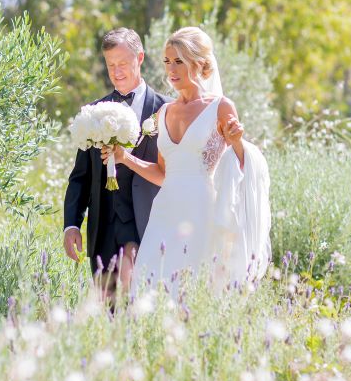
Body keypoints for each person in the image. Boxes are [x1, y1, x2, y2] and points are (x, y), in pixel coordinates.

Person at [102, 27, 271, 296]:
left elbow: (241, 165)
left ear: (199, 63)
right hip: (165, 211)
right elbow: (162, 173)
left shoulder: (221, 107)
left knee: (192, 289)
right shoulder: (164, 112)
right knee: (149, 288)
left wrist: (237, 141)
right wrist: (125, 158)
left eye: (179, 61)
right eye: (167, 62)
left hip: (201, 210)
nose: (171, 69)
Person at [63, 28, 171, 304]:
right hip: (104, 228)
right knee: (107, 308)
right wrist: (71, 225)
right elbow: (80, 178)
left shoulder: (166, 110)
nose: (117, 71)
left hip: (148, 223)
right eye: (111, 65)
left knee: (139, 303)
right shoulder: (93, 114)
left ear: (140, 58)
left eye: (123, 63)